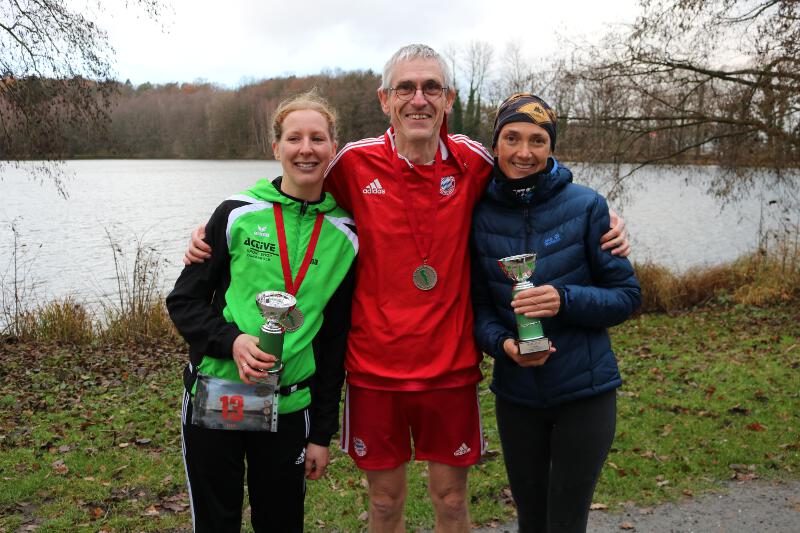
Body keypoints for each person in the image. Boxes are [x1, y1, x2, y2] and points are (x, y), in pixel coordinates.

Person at [183, 44, 630, 532]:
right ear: (385, 99)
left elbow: (529, 177)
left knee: (452, 501)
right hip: (375, 370)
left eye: (431, 87)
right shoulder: (352, 163)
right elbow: (295, 185)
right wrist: (217, 226)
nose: (419, 99)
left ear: (448, 99)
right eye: (406, 88)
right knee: (384, 503)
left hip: (450, 368)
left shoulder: (473, 160)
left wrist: (603, 214)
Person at [166, 90, 357, 533]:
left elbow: (334, 341)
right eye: (294, 138)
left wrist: (321, 433)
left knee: (281, 523)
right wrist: (232, 341)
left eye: (317, 138)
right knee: (217, 523)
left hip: (290, 404)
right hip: (220, 393)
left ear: (333, 147)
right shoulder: (236, 213)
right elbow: (184, 302)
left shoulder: (347, 233)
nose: (306, 149)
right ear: (276, 148)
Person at [470, 93, 642, 533]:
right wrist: (504, 345)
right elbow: (479, 309)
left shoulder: (587, 206)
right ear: (495, 143)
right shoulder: (476, 214)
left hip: (584, 392)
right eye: (512, 138)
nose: (524, 152)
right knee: (531, 520)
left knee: (566, 522)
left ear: (551, 147)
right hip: (516, 396)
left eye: (538, 140)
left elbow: (626, 297)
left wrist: (563, 298)